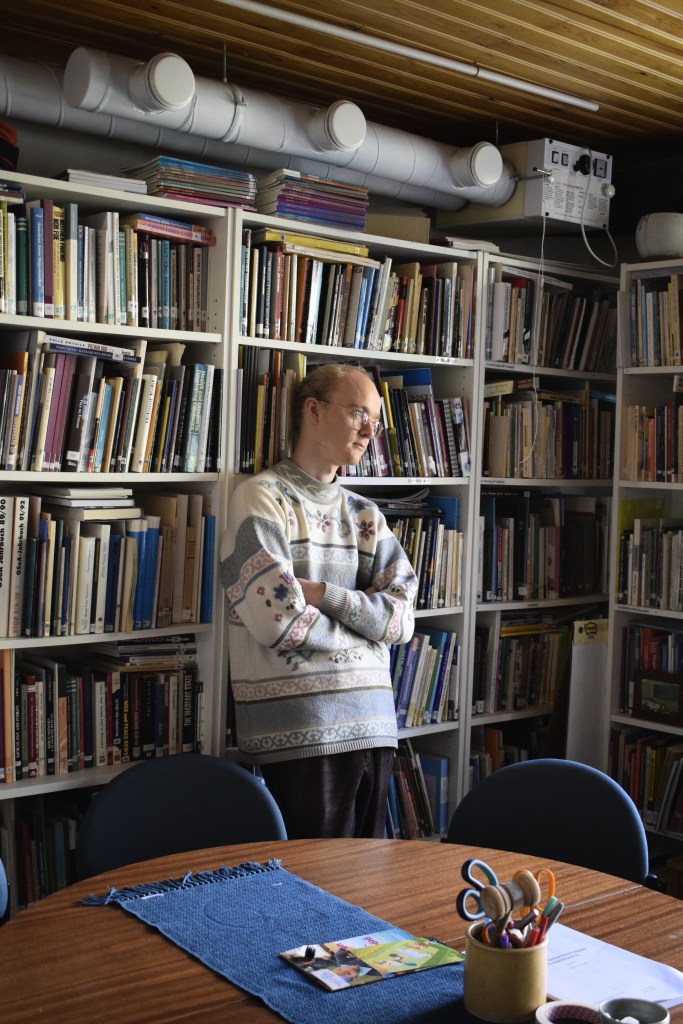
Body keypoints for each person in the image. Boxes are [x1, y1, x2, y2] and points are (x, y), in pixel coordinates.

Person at [220, 362, 417, 838]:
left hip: (376, 727)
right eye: (358, 414)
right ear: (313, 410)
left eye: (375, 421)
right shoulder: (260, 498)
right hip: (301, 729)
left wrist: (321, 594)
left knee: (368, 878)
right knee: (312, 878)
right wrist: (366, 630)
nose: (369, 431)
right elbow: (279, 623)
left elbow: (402, 621)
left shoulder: (366, 515)